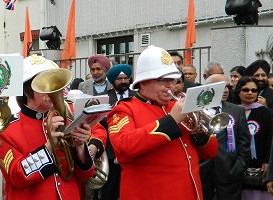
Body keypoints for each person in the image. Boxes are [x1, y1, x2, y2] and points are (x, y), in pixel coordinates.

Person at [108, 45, 218, 199]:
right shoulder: (124, 109)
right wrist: (171, 121)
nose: (171, 86)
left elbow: (211, 152)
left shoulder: (176, 106)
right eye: (163, 81)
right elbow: (126, 146)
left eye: (172, 80)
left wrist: (199, 131)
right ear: (143, 83)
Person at [0, 54, 98, 199]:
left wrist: (80, 147)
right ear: (26, 91)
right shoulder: (6, 129)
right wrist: (48, 148)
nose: (51, 90)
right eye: (43, 85)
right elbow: (15, 176)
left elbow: (85, 175)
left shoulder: (64, 120)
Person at [199, 74, 250, 200]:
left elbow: (244, 141)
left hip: (230, 172)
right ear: (208, 89)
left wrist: (239, 166)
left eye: (228, 87)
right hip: (202, 171)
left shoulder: (236, 111)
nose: (226, 90)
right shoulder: (196, 110)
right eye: (222, 87)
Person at [231, 77, 273, 200]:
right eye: (246, 90)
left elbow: (270, 138)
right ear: (239, 92)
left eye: (254, 90)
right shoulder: (232, 111)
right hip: (236, 163)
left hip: (259, 164)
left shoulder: (266, 113)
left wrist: (267, 161)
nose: (250, 93)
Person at [98, 64, 135, 200]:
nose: (124, 81)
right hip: (111, 150)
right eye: (120, 79)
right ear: (113, 81)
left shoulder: (136, 96)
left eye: (126, 78)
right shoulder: (103, 98)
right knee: (110, 190)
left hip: (132, 150)